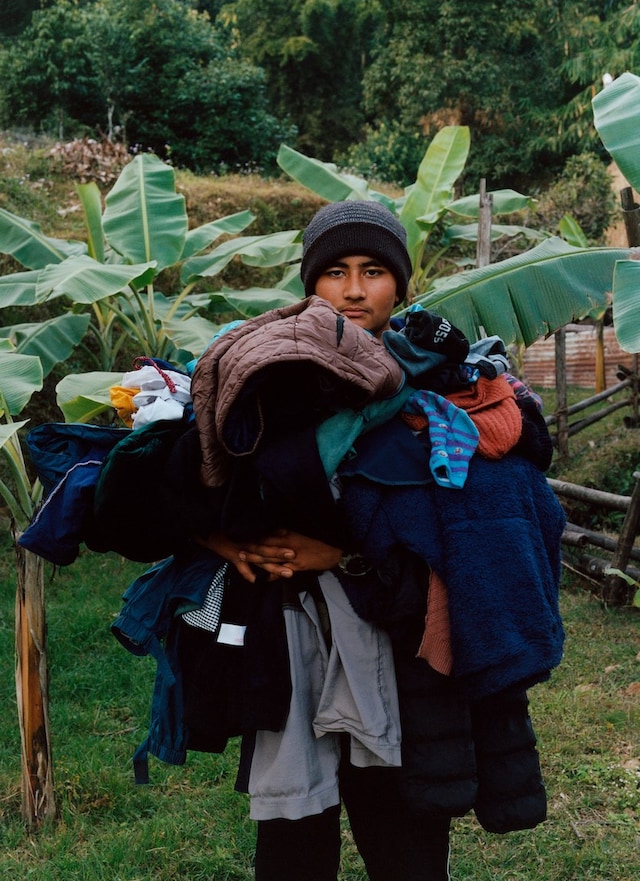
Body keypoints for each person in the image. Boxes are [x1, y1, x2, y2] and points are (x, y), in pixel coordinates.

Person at [185, 200, 566, 881]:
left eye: (374, 271)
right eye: (335, 271)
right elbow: (180, 489)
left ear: (400, 285)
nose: (355, 290)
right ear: (310, 283)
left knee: (405, 844)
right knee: (293, 850)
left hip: (403, 668)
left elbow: (477, 556)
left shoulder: (446, 393)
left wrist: (343, 556)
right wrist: (226, 542)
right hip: (291, 651)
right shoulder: (263, 378)